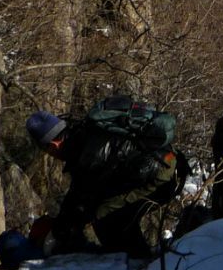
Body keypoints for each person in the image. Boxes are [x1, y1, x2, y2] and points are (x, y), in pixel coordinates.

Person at [23, 103, 182, 260]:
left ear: (53, 145)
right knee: (108, 209)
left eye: (47, 150)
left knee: (106, 214)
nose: (50, 155)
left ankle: (137, 262)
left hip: (163, 177)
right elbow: (78, 194)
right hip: (166, 165)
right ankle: (132, 258)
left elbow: (83, 198)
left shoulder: (88, 153)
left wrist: (59, 231)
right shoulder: (83, 134)